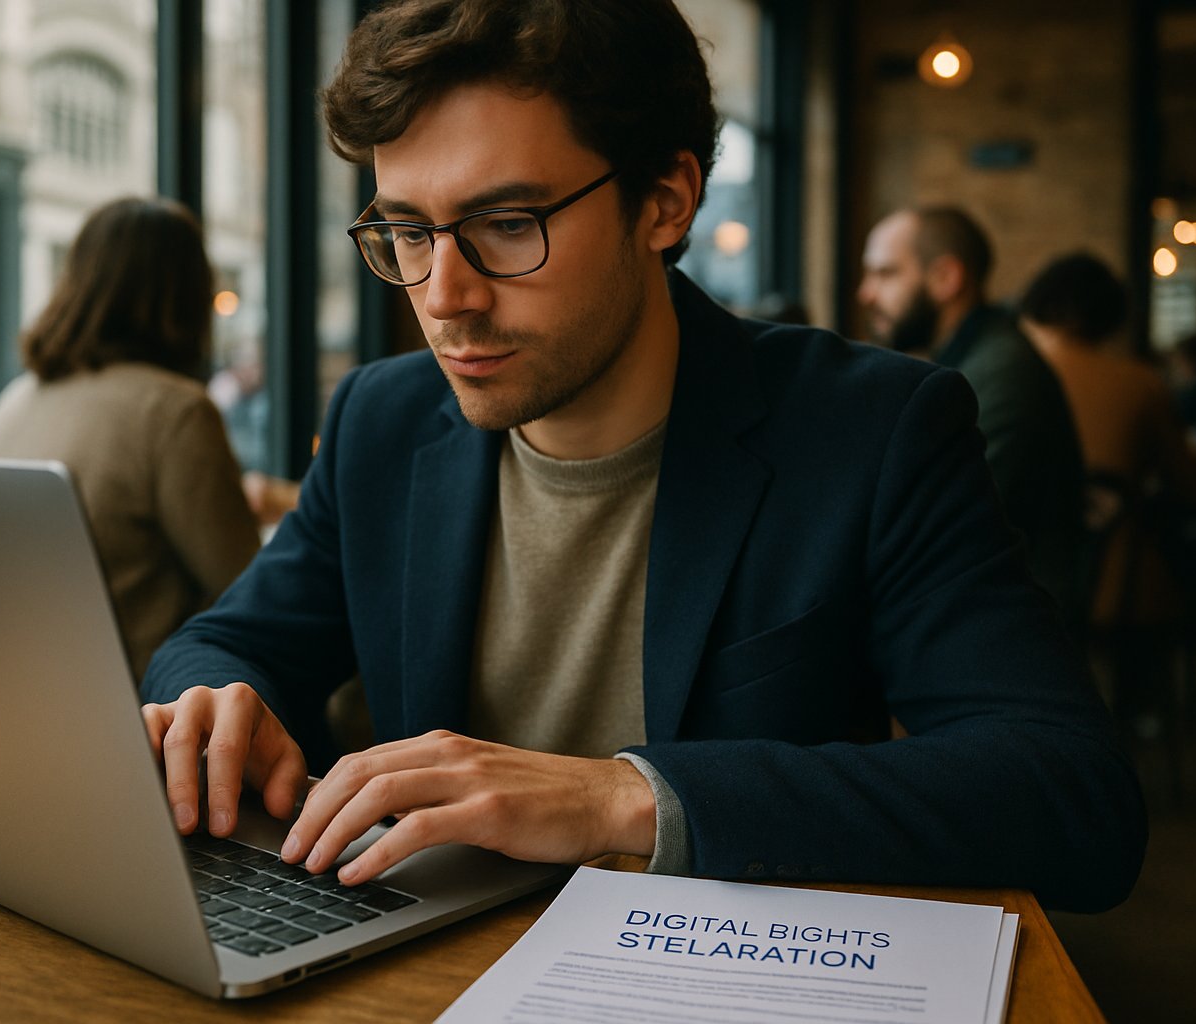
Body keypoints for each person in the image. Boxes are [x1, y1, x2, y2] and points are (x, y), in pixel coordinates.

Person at [141, 0, 1144, 912]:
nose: (443, 294)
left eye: (505, 223)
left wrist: (622, 796)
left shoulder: (873, 429)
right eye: (407, 230)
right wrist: (215, 703)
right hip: (433, 972)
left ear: (665, 200)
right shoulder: (381, 419)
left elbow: (1070, 796)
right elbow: (224, 645)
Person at [0, 197, 260, 683]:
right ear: (188, 295)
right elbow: (250, 593)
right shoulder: (175, 411)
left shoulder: (17, 399)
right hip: (145, 717)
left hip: (21, 691)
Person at [1018, 252, 1196, 723]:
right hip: (1118, 588)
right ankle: (1134, 723)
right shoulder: (1139, 383)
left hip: (1028, 585)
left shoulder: (1012, 376)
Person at [858, 207, 1086, 618]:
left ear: (946, 278)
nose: (866, 294)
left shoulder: (998, 376)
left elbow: (938, 531)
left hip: (1012, 627)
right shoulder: (975, 359)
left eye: (885, 274)